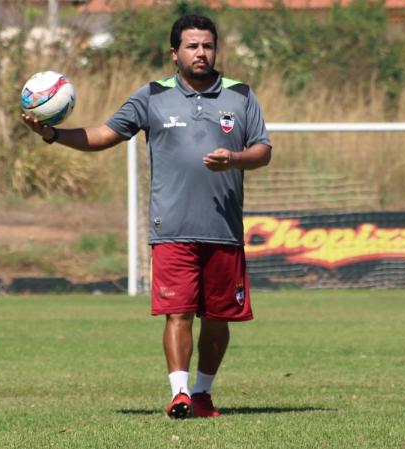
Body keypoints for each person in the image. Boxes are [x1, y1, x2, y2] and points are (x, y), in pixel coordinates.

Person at [22, 14, 272, 419]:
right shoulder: (152, 96)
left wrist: (236, 159)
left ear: (216, 49)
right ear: (175, 53)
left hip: (223, 228)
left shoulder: (241, 96)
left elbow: (263, 149)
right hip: (170, 227)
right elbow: (105, 134)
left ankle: (204, 393)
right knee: (178, 312)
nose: (201, 53)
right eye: (192, 46)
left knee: (217, 318)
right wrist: (53, 135)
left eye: (207, 45)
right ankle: (180, 394)